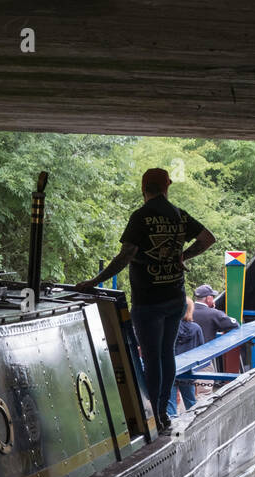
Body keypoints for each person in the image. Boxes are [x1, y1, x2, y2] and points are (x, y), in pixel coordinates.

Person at [75, 168, 216, 432]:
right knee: (166, 354)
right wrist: (183, 256)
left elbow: (126, 254)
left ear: (144, 188)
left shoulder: (141, 216)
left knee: (152, 358)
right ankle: (163, 411)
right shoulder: (179, 215)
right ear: (167, 187)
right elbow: (208, 239)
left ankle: (158, 414)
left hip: (148, 300)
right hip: (175, 297)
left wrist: (94, 281)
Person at [166, 298, 204, 417]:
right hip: (188, 371)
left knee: (171, 405)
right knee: (191, 402)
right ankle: (193, 424)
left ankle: (172, 428)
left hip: (170, 370)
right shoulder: (196, 328)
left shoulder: (168, 328)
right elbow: (201, 348)